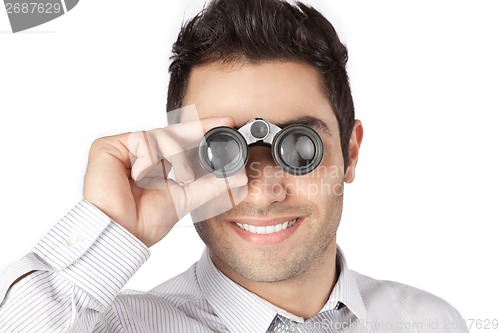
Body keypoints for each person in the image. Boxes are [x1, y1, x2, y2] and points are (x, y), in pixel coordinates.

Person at [0, 0, 469, 332]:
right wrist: (113, 226)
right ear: (182, 158)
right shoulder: (113, 327)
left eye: (299, 147)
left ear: (351, 152)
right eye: (222, 152)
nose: (262, 192)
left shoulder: (431, 321)